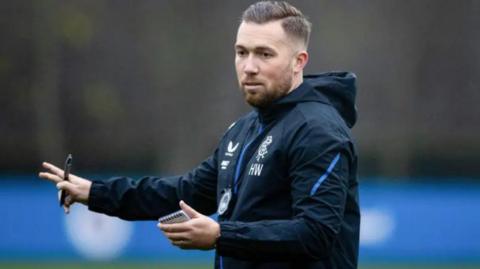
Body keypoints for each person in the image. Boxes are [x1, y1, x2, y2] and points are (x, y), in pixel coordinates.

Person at [39, 1, 360, 268]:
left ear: (298, 62)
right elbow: (185, 191)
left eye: (264, 54)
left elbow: (315, 233)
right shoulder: (243, 130)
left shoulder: (317, 130)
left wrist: (221, 235)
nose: (248, 66)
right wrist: (96, 193)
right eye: (241, 52)